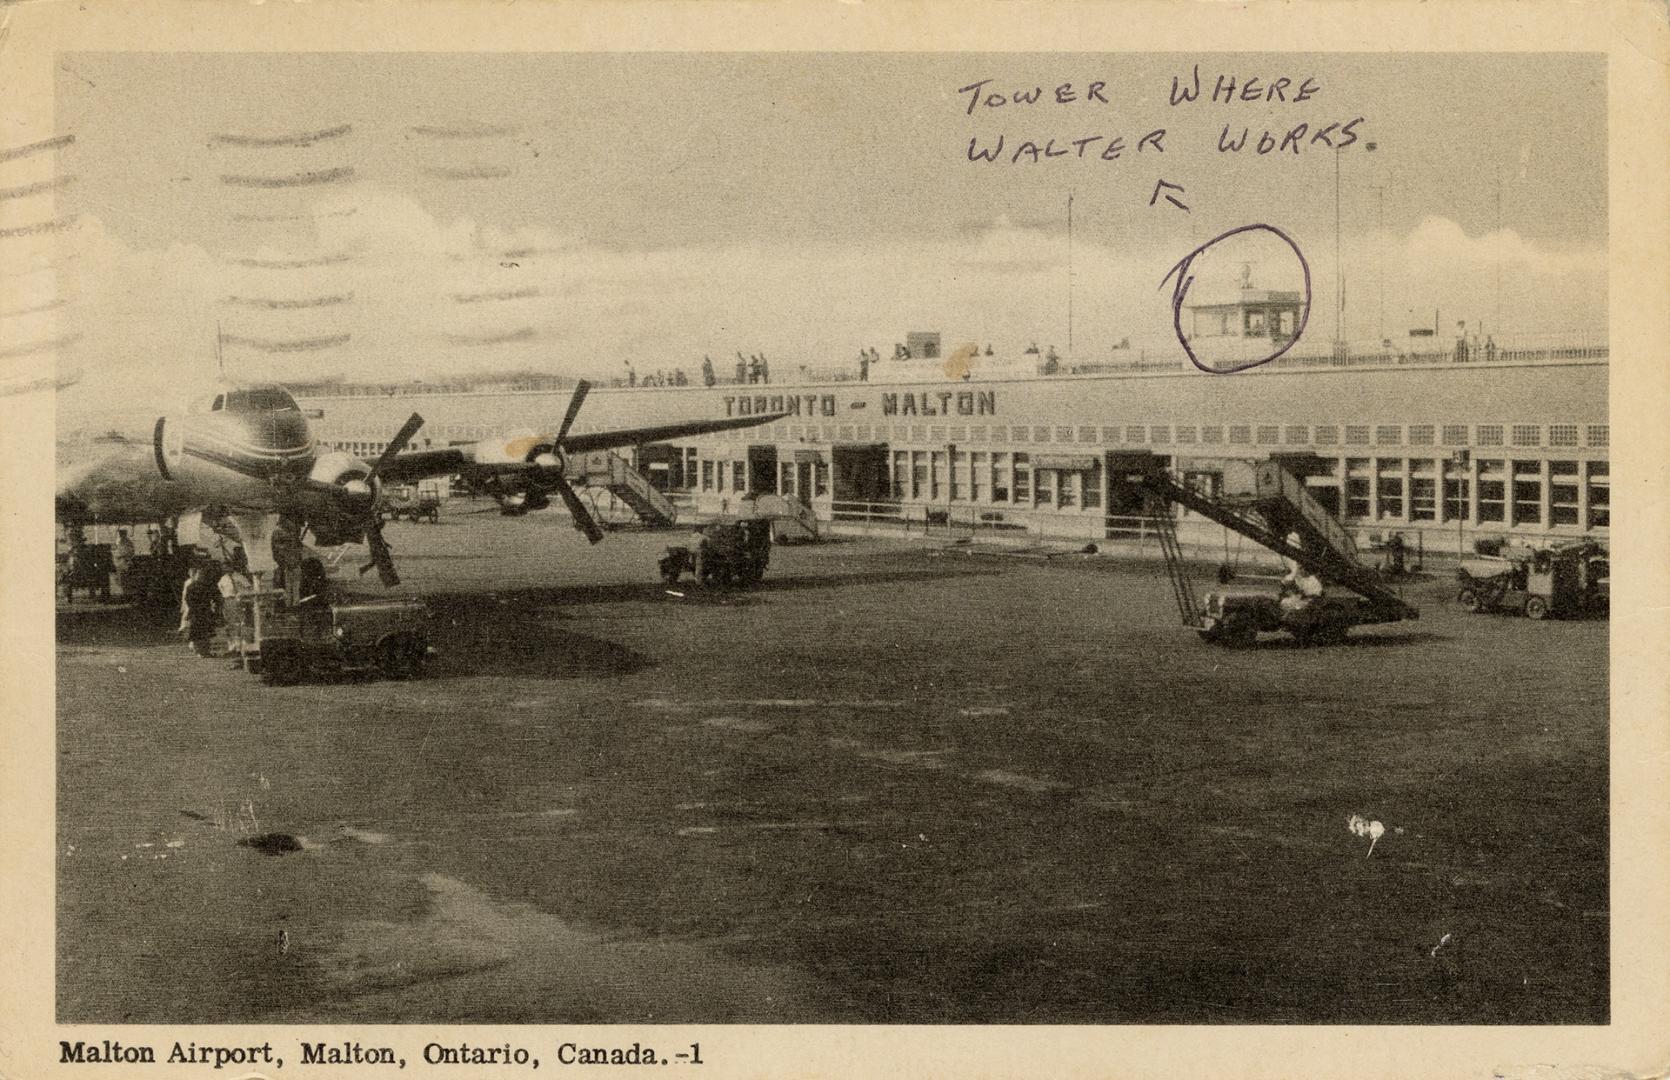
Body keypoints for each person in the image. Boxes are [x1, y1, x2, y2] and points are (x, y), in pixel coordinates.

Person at [179, 563, 223, 657]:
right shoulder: (191, 586)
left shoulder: (207, 586)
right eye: (199, 574)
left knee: (205, 632)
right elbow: (188, 599)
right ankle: (199, 651)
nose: (200, 576)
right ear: (195, 576)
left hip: (205, 611)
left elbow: (215, 596)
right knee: (196, 632)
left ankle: (206, 651)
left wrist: (214, 605)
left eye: (202, 574)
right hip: (196, 612)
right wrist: (194, 608)